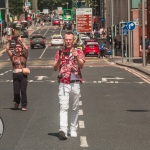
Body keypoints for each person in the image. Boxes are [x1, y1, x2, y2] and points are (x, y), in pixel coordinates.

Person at [53, 31, 85, 140]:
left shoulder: (79, 52)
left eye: (70, 39)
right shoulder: (59, 52)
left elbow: (81, 65)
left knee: (75, 107)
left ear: (73, 40)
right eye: (66, 39)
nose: (68, 41)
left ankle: (73, 129)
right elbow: (55, 68)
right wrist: (59, 61)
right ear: (64, 40)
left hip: (75, 82)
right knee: (63, 107)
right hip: (63, 82)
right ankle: (63, 129)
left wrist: (76, 57)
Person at [6, 36, 29, 111]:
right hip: (15, 75)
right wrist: (9, 41)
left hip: (23, 75)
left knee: (23, 90)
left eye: (19, 47)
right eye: (16, 47)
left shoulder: (24, 56)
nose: (17, 48)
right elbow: (7, 49)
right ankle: (17, 102)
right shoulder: (13, 57)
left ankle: (24, 105)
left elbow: (26, 48)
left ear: (21, 49)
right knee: (16, 92)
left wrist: (21, 42)